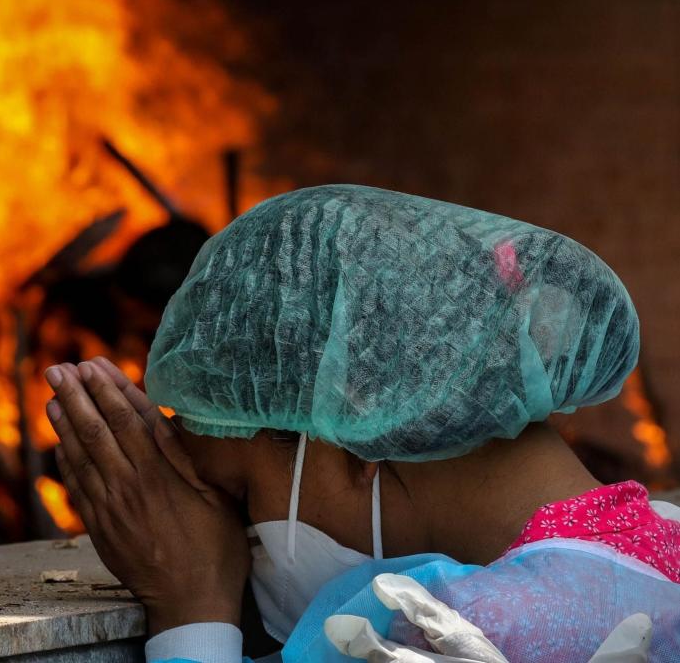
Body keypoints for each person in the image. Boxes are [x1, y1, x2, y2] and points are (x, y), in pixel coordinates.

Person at [43, 185, 680, 662]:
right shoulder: (660, 541)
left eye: (235, 499)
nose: (214, 532)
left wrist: (193, 611)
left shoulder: (457, 633)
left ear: (359, 436)